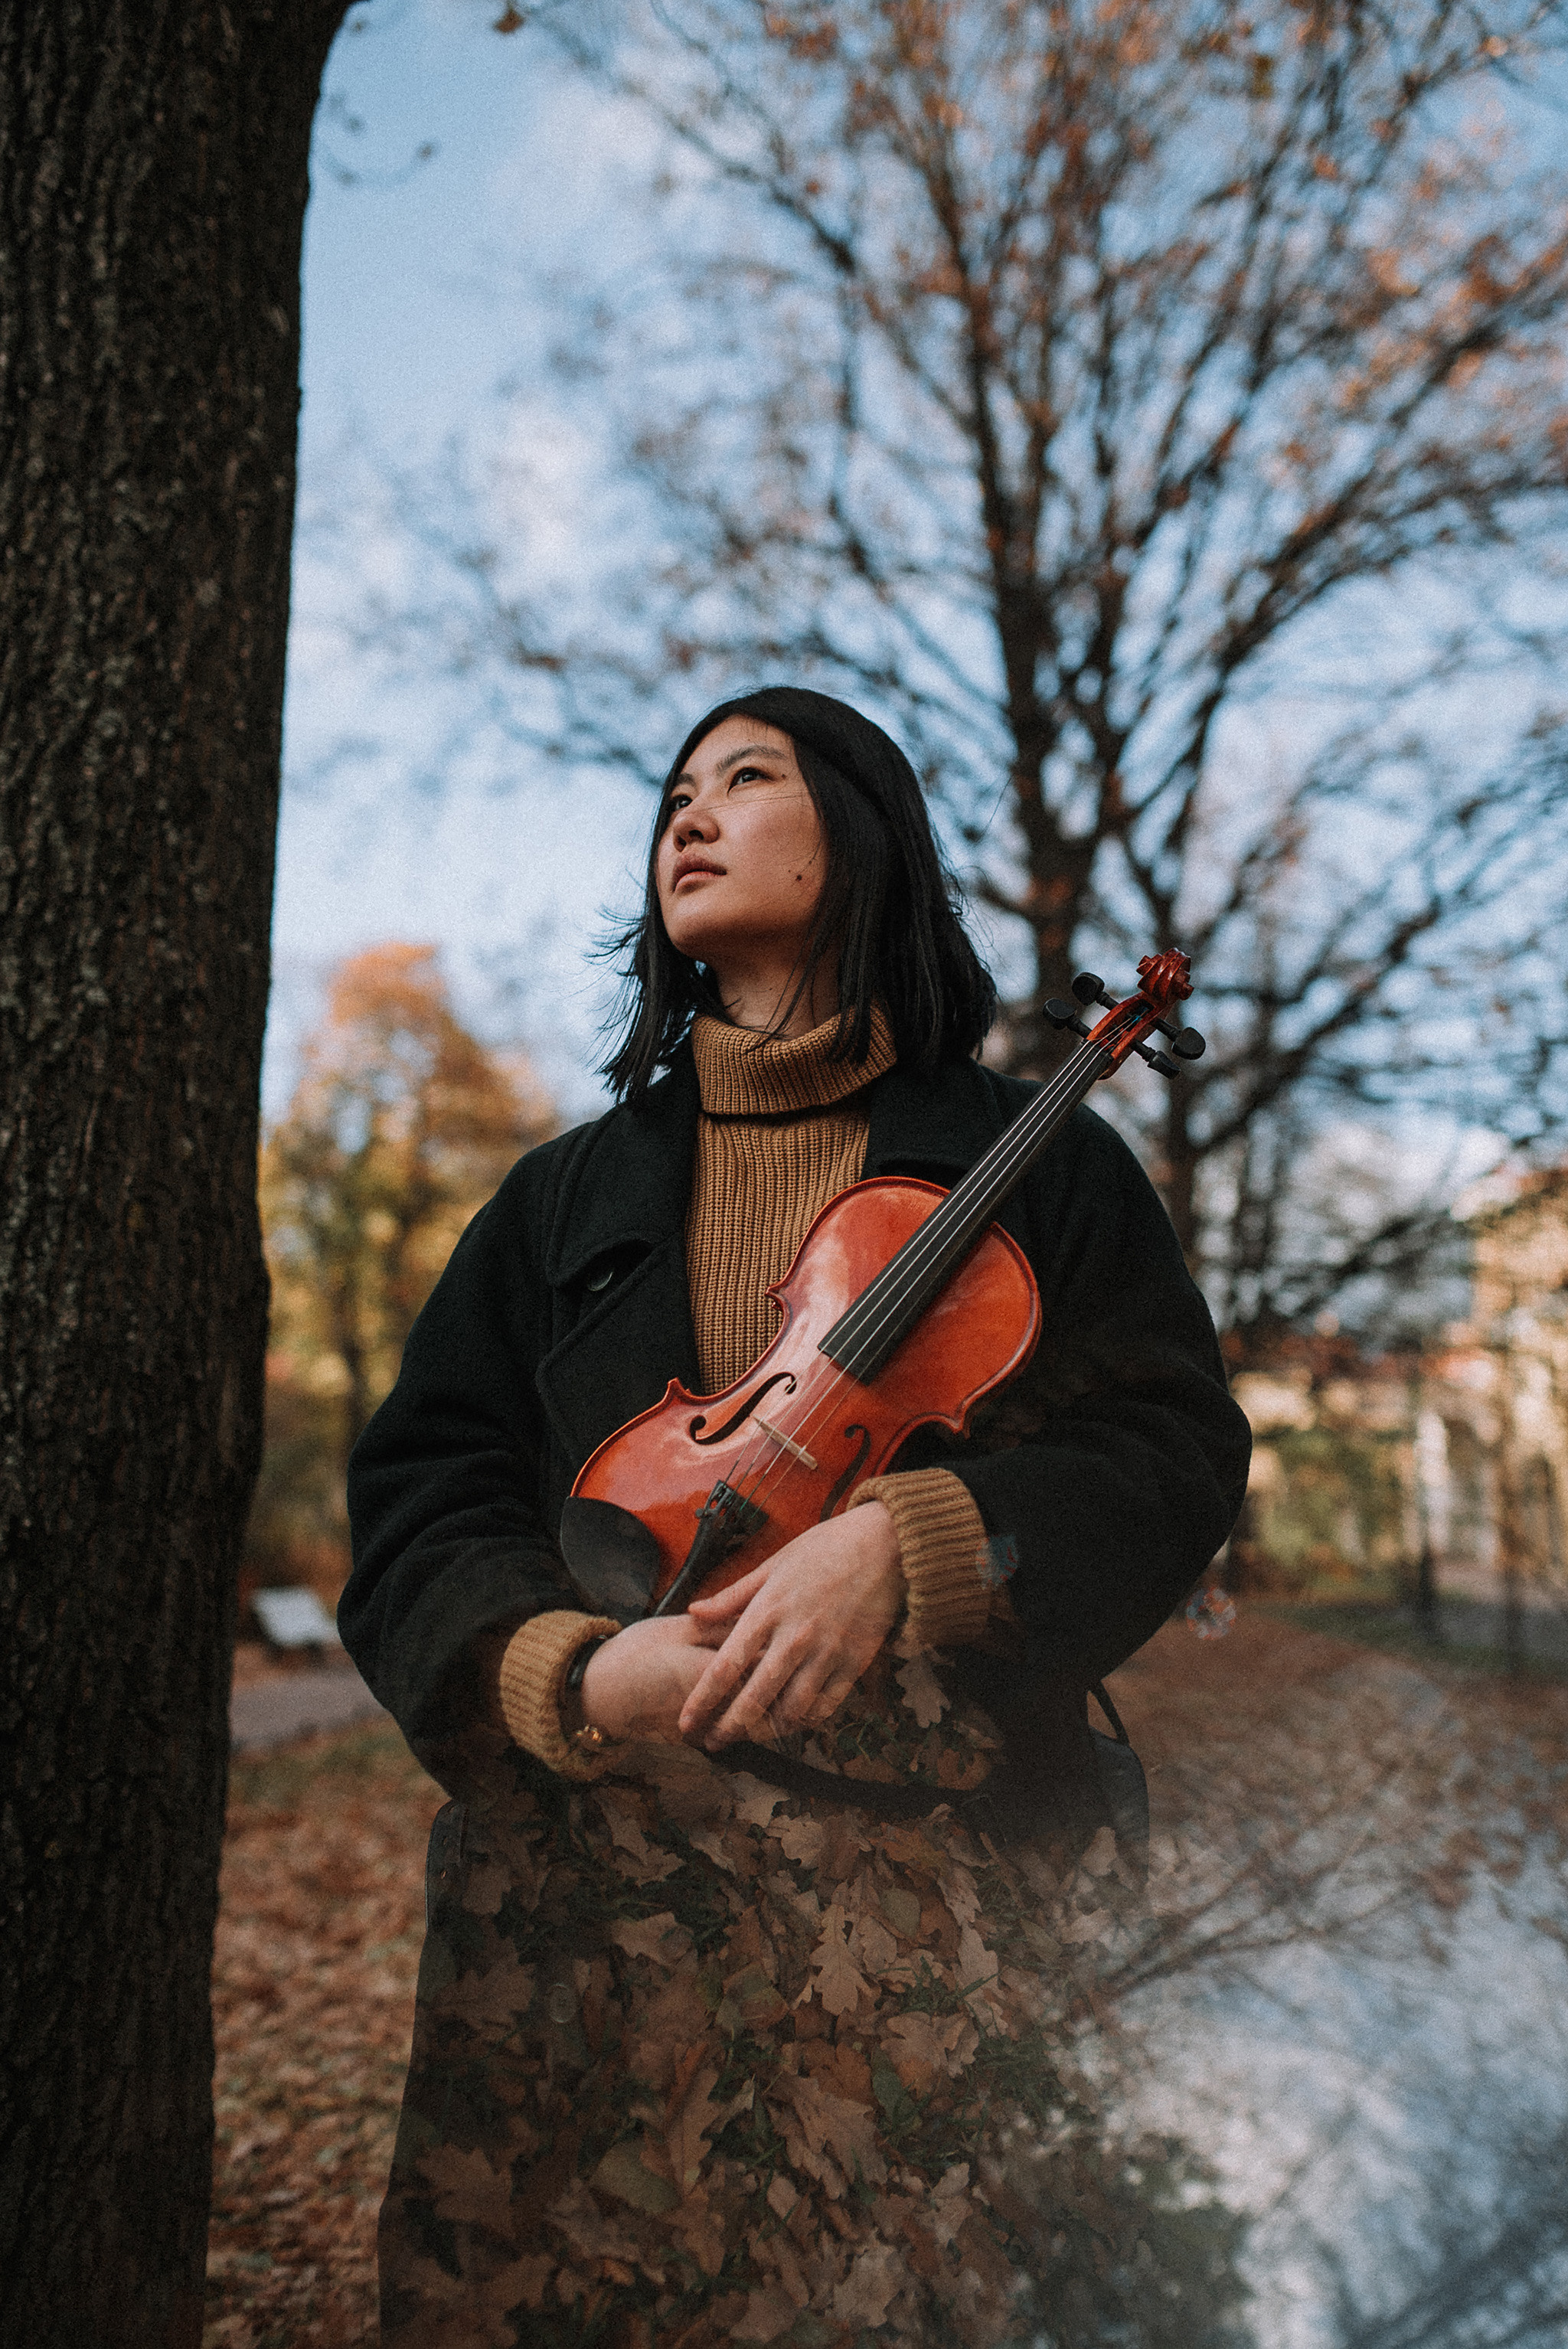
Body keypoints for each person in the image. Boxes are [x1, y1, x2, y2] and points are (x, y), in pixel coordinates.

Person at [340, 687, 1250, 2348]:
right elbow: (425, 1493)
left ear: (864, 829)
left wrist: (914, 1545)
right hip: (577, 1920)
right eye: (673, 790)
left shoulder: (1035, 1160)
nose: (687, 813)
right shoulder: (555, 1197)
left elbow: (1171, 1449)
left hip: (924, 1903)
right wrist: (554, 1671)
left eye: (745, 779)